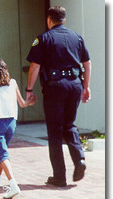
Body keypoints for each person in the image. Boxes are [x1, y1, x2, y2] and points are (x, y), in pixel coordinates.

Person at [25, 6, 91, 187]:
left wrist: (29, 90)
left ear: (49, 20)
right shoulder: (77, 37)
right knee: (69, 125)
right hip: (75, 85)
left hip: (55, 87)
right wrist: (86, 86)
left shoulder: (43, 39)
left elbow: (35, 66)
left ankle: (59, 176)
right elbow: (87, 62)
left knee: (55, 130)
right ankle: (80, 160)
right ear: (64, 20)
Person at [0, 58, 36, 198]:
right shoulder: (13, 82)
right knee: (2, 151)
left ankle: (13, 185)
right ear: (4, 69)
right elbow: (22, 104)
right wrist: (29, 102)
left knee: (3, 154)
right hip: (11, 123)